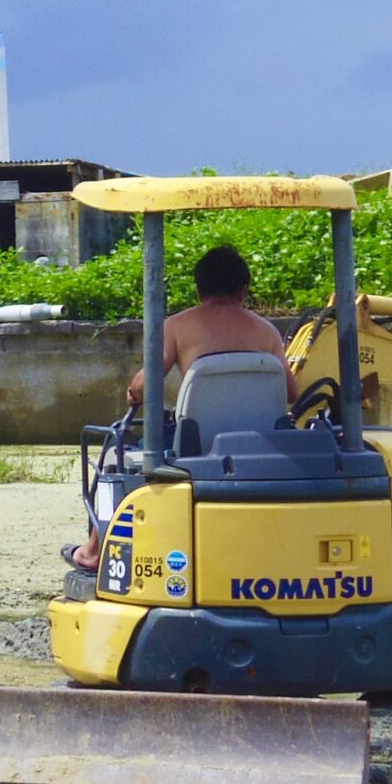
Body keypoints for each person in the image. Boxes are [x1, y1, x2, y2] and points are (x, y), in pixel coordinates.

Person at [67, 245, 296, 572]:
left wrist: (134, 392)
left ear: (199, 290)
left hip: (194, 447)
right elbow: (291, 392)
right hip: (261, 447)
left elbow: (145, 385)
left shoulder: (177, 326)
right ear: (244, 290)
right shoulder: (267, 332)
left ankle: (91, 552)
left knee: (114, 458)